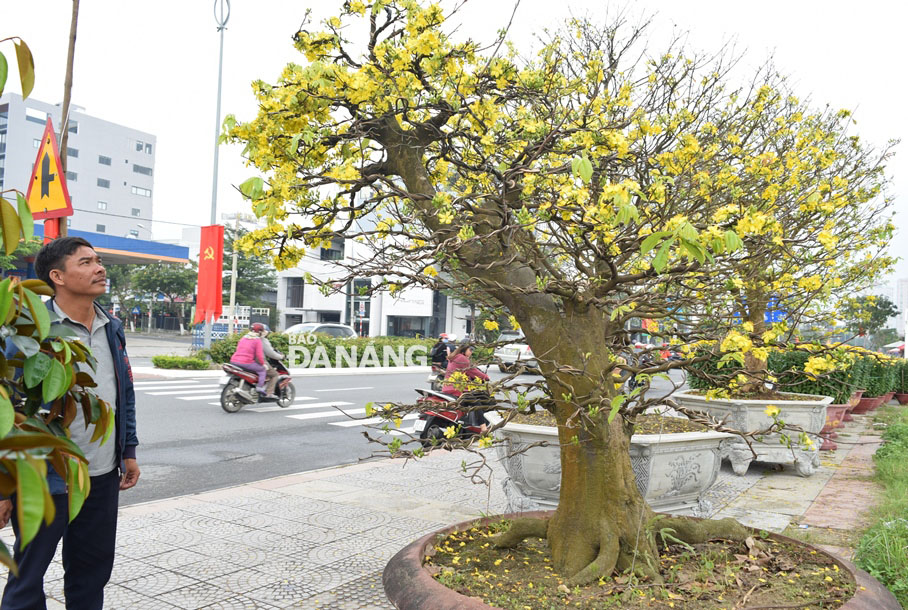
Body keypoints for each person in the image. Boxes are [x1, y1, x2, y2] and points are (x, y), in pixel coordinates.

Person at [0, 237, 140, 609]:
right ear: (57, 276)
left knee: (91, 576)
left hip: (100, 475)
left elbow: (123, 390)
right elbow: (7, 409)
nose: (99, 268)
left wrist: (128, 450)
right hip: (44, 478)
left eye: (98, 260)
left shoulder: (113, 326)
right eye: (86, 262)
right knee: (26, 580)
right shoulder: (27, 330)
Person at [442, 341, 491, 432]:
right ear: (464, 349)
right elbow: (473, 371)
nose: (471, 352)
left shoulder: (454, 357)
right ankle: (484, 428)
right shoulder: (463, 359)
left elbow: (466, 372)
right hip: (456, 389)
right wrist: (486, 377)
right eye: (470, 349)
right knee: (476, 403)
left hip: (447, 388)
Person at [230, 324, 270, 397]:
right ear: (260, 332)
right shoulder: (257, 340)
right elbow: (259, 355)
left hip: (234, 361)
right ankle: (259, 388)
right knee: (262, 370)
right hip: (246, 362)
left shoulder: (243, 338)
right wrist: (263, 364)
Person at [259, 324, 285, 398]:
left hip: (243, 361)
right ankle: (269, 393)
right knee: (274, 374)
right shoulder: (262, 340)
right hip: (259, 361)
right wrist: (281, 357)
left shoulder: (247, 338)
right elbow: (271, 353)